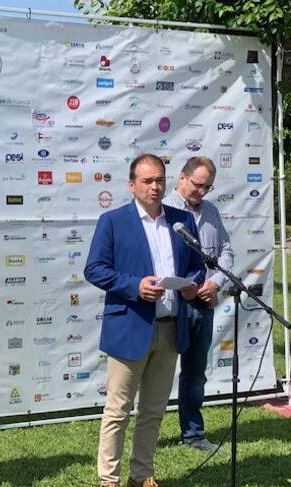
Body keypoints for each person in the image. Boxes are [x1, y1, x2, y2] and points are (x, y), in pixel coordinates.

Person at [84, 154, 205, 487]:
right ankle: (109, 481)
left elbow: (196, 265)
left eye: (160, 180)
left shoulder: (182, 220)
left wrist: (192, 284)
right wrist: (134, 286)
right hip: (130, 327)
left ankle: (141, 477)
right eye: (147, 181)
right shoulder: (113, 221)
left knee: (153, 411)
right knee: (118, 411)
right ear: (131, 184)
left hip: (170, 329)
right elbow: (94, 269)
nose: (155, 187)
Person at [163, 156, 234, 452]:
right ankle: (145, 436)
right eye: (198, 185)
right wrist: (186, 286)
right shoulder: (162, 210)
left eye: (208, 187)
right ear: (182, 177)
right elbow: (160, 259)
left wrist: (215, 282)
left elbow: (226, 252)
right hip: (170, 306)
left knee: (195, 373)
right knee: (156, 372)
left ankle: (193, 434)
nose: (202, 192)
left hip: (203, 303)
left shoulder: (211, 211)